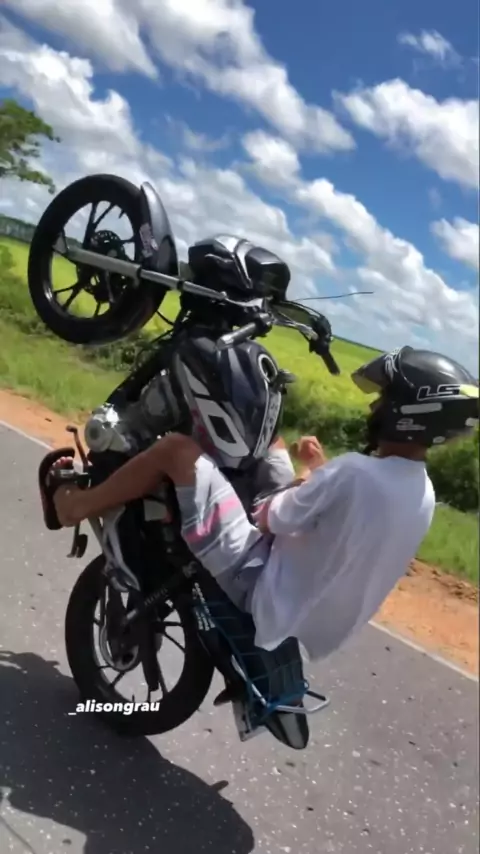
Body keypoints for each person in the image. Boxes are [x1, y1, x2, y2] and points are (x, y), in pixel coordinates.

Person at [40, 346, 478, 661]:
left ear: (407, 413)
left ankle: (77, 506)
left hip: (262, 583)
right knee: (270, 440)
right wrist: (317, 475)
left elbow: (269, 516)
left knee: (175, 450)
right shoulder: (422, 493)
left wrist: (307, 475)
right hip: (310, 615)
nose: (374, 405)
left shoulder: (355, 472)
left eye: (383, 398)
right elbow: (346, 520)